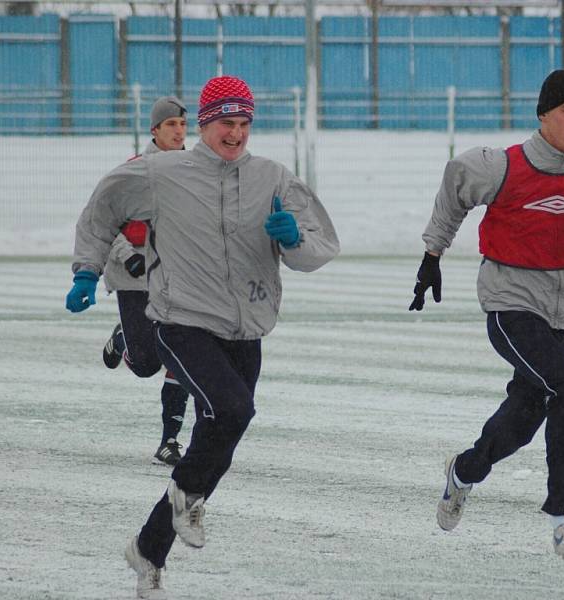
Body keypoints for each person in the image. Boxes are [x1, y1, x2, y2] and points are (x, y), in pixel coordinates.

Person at [65, 75, 340, 599]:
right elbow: (103, 208)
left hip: (246, 328)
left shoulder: (273, 178)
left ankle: (148, 549)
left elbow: (321, 245)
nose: (235, 135)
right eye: (224, 124)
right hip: (180, 320)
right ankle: (185, 501)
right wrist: (86, 271)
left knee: (216, 442)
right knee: (233, 411)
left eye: (243, 124)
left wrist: (295, 239)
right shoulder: (160, 173)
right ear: (205, 125)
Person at [409, 69, 564, 560]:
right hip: (512, 304)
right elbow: (455, 183)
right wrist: (433, 255)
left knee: (528, 413)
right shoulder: (502, 166)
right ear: (543, 115)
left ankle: (465, 471)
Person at [101, 95, 192, 467]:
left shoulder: (195, 171)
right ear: (155, 130)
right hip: (134, 277)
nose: (179, 131)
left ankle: (169, 441)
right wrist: (132, 258)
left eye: (184, 125)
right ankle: (123, 337)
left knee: (183, 353)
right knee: (145, 365)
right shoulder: (134, 172)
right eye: (171, 124)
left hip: (177, 279)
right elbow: (105, 222)